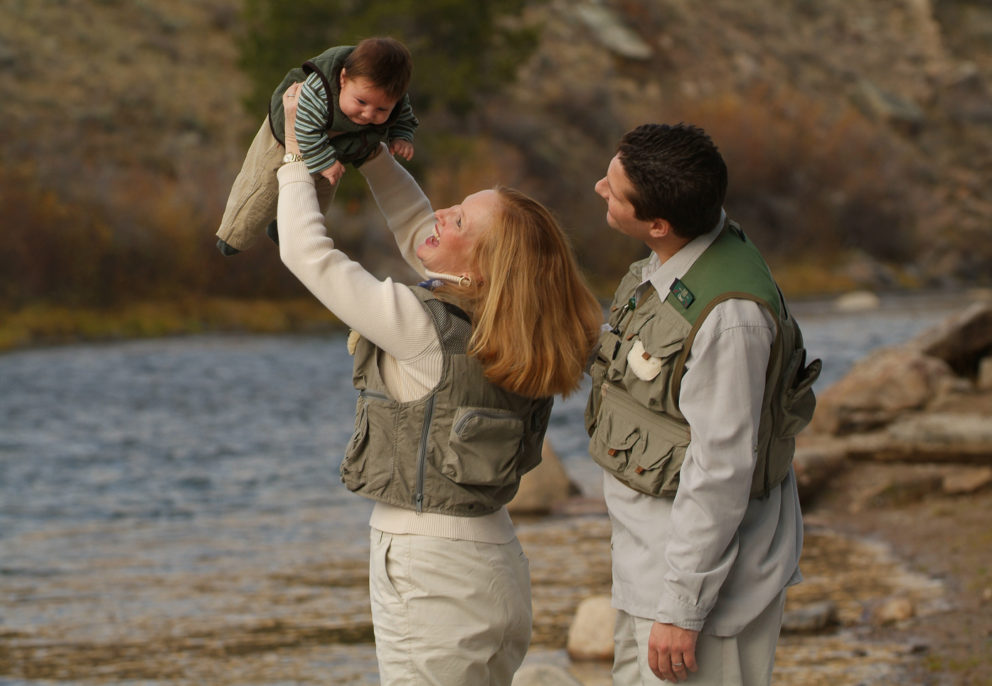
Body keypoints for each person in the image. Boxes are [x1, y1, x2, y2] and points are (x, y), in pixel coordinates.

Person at [275, 81, 603, 684]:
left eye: (458, 219)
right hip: (493, 568)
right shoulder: (519, 323)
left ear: (480, 266)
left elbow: (307, 255)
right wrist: (372, 152)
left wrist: (298, 152)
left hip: (433, 574)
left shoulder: (421, 327)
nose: (439, 215)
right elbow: (418, 228)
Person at [585, 123, 821, 685]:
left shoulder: (728, 321)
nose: (599, 188)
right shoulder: (676, 257)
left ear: (658, 224)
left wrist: (682, 611)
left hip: (700, 595)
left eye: (613, 190)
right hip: (647, 569)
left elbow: (721, 470)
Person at [216, 36, 419, 255]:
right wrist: (324, 161)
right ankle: (233, 236)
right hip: (286, 137)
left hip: (333, 148)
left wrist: (401, 137)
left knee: (317, 200)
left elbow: (404, 118)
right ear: (343, 79)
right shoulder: (318, 91)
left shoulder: (394, 100)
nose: (369, 114)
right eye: (361, 102)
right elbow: (303, 126)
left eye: (382, 110)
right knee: (263, 188)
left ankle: (285, 229)